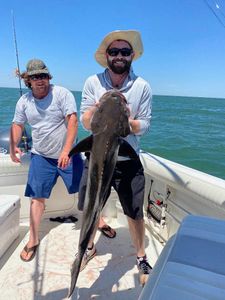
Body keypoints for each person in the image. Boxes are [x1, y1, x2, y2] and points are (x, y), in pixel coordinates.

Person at [78, 30, 152, 283]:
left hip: (128, 162)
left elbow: (145, 125)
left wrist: (126, 125)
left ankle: (141, 256)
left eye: (124, 51)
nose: (119, 56)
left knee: (134, 212)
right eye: (114, 51)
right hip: (97, 158)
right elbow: (85, 121)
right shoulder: (92, 83)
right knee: (90, 206)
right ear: (107, 56)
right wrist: (97, 113)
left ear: (132, 55)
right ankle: (87, 248)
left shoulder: (142, 86)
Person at [10, 59, 83, 262]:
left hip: (68, 154)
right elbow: (17, 124)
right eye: (35, 77)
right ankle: (33, 239)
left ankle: (100, 221)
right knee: (36, 199)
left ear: (48, 77)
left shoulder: (62, 94)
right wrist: (13, 145)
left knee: (85, 191)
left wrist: (66, 151)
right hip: (41, 156)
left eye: (43, 75)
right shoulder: (24, 101)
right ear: (28, 80)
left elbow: (73, 122)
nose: (40, 80)